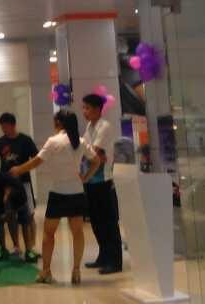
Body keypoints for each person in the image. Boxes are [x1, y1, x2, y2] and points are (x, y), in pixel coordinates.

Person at [11, 109, 99, 285]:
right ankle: (76, 271)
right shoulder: (80, 142)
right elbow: (96, 160)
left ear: (58, 122)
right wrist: (85, 177)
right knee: (78, 233)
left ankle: (46, 271)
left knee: (49, 233)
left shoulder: (53, 142)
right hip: (76, 192)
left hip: (58, 193)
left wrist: (18, 169)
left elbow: (37, 161)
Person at [0, 113, 40, 262]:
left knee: (28, 216)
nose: (3, 130)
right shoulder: (0, 142)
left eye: (5, 127)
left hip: (23, 183)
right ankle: (15, 247)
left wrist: (22, 169)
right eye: (2, 127)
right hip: (5, 183)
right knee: (7, 215)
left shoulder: (25, 140)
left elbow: (37, 159)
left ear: (12, 125)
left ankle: (31, 248)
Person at [81, 93, 124, 274]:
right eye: (83, 108)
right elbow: (87, 152)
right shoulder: (89, 126)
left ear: (98, 109)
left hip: (104, 181)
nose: (84, 111)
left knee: (109, 222)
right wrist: (92, 155)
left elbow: (92, 151)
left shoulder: (104, 126)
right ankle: (103, 256)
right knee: (96, 222)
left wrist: (92, 155)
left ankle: (115, 262)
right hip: (90, 180)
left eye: (87, 108)